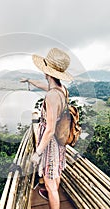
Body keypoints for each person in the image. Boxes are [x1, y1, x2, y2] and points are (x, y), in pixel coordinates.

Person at [21, 48, 73, 209]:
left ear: (47, 72)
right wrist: (30, 81)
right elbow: (47, 87)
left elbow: (50, 129)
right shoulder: (61, 90)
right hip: (59, 142)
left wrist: (37, 153)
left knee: (50, 187)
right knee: (55, 176)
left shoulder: (51, 97)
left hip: (50, 144)